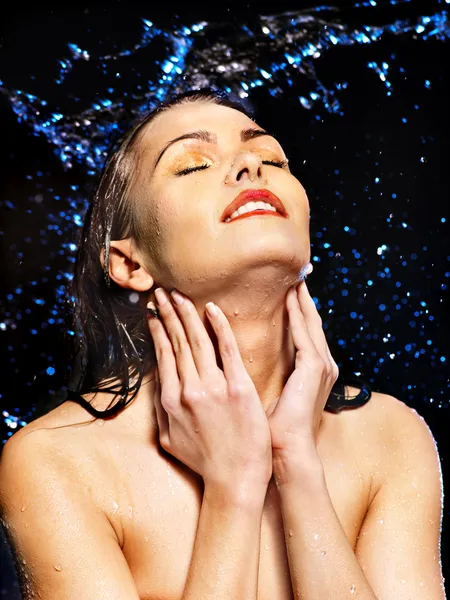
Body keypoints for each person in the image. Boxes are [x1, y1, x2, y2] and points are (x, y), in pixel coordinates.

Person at [0, 88, 444, 600]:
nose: (249, 168)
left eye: (271, 157)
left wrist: (295, 463)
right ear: (129, 263)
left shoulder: (390, 438)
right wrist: (235, 486)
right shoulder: (59, 461)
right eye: (192, 165)